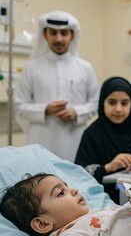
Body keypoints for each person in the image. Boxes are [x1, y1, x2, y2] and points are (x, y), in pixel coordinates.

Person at [14, 10, 100, 163]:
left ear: (72, 35)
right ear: (45, 35)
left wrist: (76, 112)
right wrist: (45, 109)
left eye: (64, 33)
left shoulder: (85, 68)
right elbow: (19, 106)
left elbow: (96, 103)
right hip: (41, 143)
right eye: (53, 33)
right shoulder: (32, 68)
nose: (58, 39)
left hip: (77, 142)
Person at [0, 173, 131, 236]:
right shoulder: (72, 233)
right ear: (43, 224)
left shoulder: (98, 211)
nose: (73, 190)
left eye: (68, 185)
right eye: (61, 193)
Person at [75, 77, 131, 204]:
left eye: (124, 103)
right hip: (102, 202)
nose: (118, 109)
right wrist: (108, 167)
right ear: (102, 102)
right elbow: (79, 173)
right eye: (112, 102)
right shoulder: (92, 134)